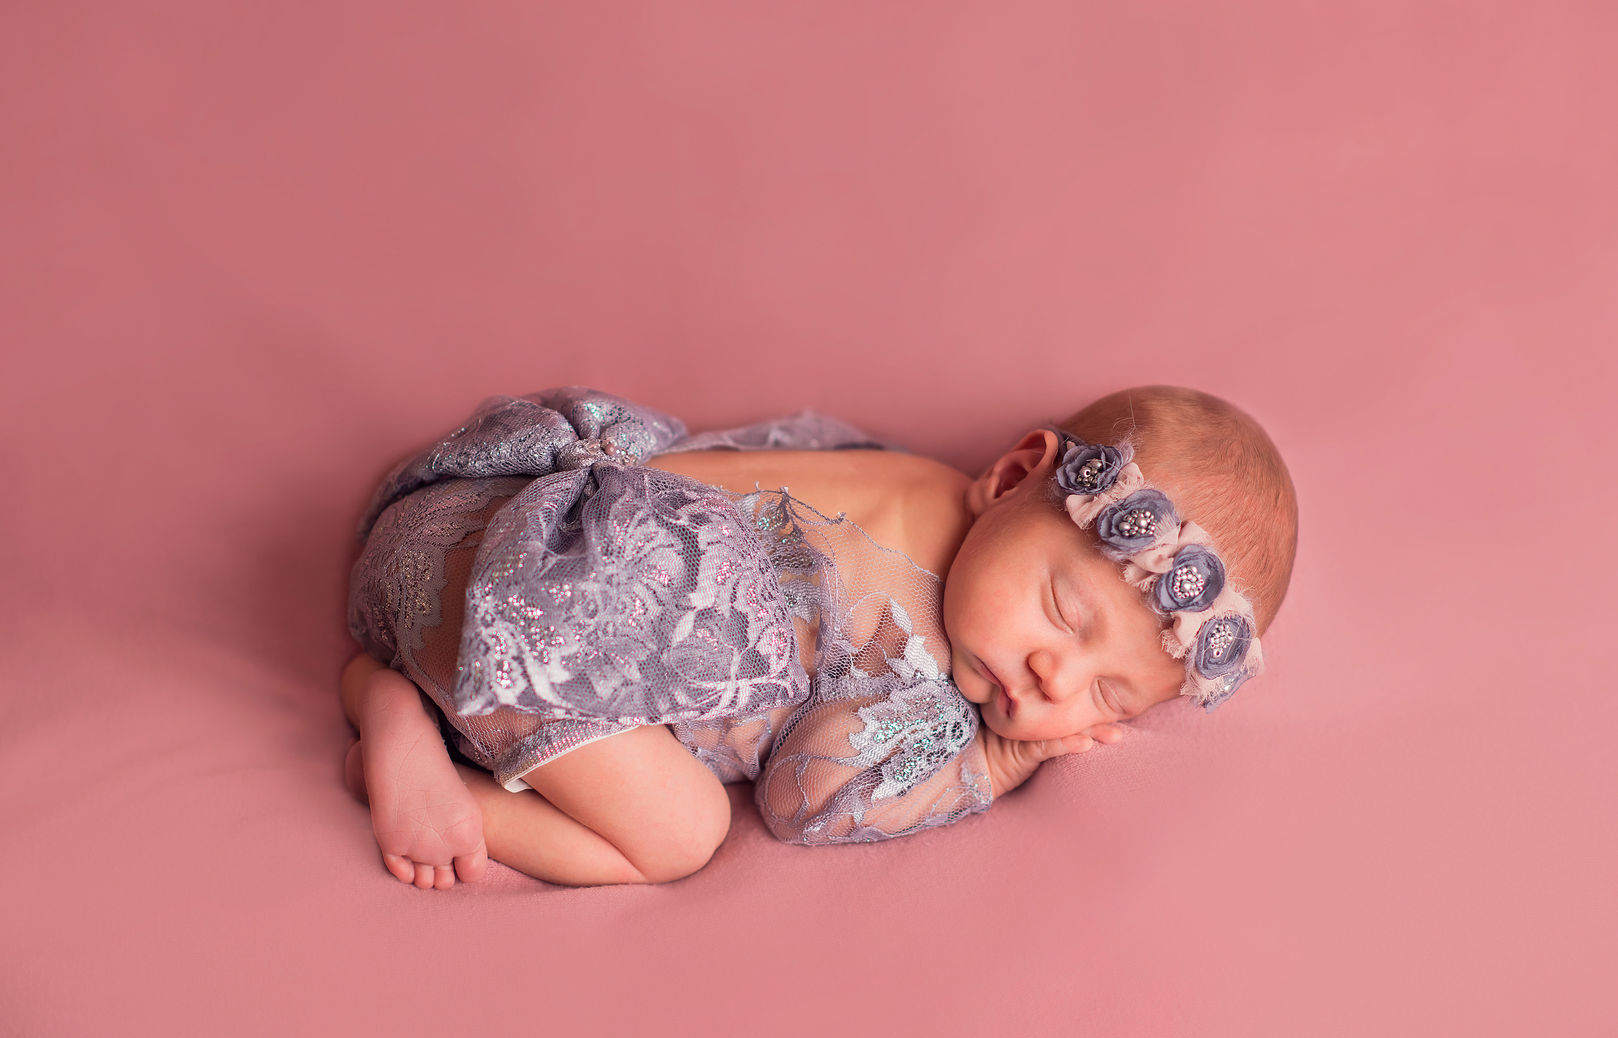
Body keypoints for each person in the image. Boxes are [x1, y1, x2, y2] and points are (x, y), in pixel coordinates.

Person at [338, 384, 1298, 888]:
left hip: (457, 524)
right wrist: (996, 764)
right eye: (1065, 614)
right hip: (510, 630)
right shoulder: (907, 646)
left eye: (1106, 695)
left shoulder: (906, 475)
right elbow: (806, 801)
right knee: (681, 835)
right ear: (1013, 476)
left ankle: (393, 693)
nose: (1054, 677)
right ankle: (430, 768)